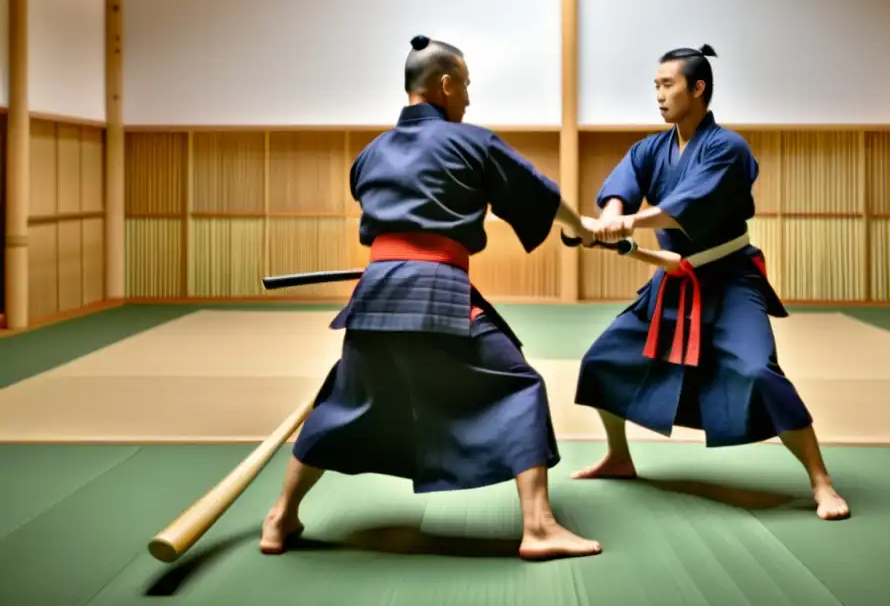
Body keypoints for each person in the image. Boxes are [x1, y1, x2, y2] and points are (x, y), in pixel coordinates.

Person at [260, 35, 603, 560]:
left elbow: (379, 209)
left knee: (346, 399)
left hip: (375, 296)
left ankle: (280, 518)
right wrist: (583, 229)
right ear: (445, 84)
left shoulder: (370, 152)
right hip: (438, 292)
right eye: (464, 85)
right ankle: (538, 526)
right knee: (519, 385)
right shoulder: (472, 142)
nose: (467, 97)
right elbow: (542, 195)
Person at [572, 44, 850, 521]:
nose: (658, 95)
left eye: (667, 85)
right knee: (602, 359)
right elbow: (620, 188)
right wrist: (610, 216)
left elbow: (683, 208)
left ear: (697, 88)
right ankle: (619, 457)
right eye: (655, 86)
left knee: (759, 370)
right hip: (673, 282)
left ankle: (821, 481)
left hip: (728, 278)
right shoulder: (650, 148)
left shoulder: (727, 148)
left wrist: (629, 224)